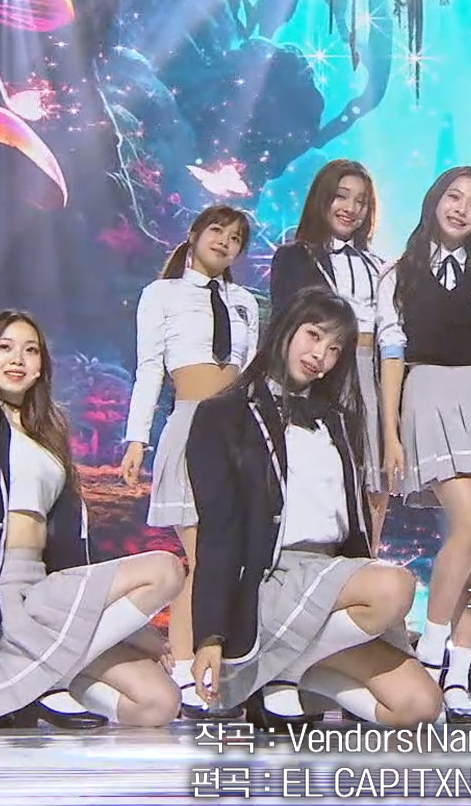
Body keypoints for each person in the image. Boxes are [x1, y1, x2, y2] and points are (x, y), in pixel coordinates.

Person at [187, 288, 441, 728]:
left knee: (419, 706)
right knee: (395, 586)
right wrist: (209, 635)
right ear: (286, 328)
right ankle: (263, 670)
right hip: (272, 582)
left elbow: (352, 525)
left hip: (332, 581)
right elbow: (218, 533)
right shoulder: (224, 415)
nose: (320, 355)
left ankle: (281, 676)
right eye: (314, 335)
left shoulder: (337, 420)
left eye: (335, 348)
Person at [0, 311, 184, 729]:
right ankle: (46, 682)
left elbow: (72, 545)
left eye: (30, 351)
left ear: (41, 367)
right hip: (2, 591)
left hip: (49, 590)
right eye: (5, 347)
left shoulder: (47, 431)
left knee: (160, 703)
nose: (18, 359)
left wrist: (135, 631)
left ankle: (40, 680)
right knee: (165, 569)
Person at [377, 165, 471, 722]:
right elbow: (392, 357)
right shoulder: (399, 273)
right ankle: (432, 646)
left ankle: (459, 678)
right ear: (434, 200)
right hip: (429, 394)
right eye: (454, 197)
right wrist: (391, 432)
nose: (461, 209)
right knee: (470, 522)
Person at [119, 204, 259, 718]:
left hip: (240, 431)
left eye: (236, 238)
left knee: (237, 557)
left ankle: (225, 666)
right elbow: (149, 369)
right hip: (190, 425)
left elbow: (253, 372)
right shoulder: (162, 294)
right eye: (217, 231)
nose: (225, 242)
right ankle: (183, 667)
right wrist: (137, 438)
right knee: (203, 557)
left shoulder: (244, 301)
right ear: (196, 235)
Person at [269, 159, 388, 521]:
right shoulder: (295, 256)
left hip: (375, 374)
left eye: (361, 201)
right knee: (329, 470)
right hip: (324, 372)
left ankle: (367, 551)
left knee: (375, 479)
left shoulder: (380, 266)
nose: (351, 208)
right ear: (322, 198)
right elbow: (286, 324)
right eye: (341, 196)